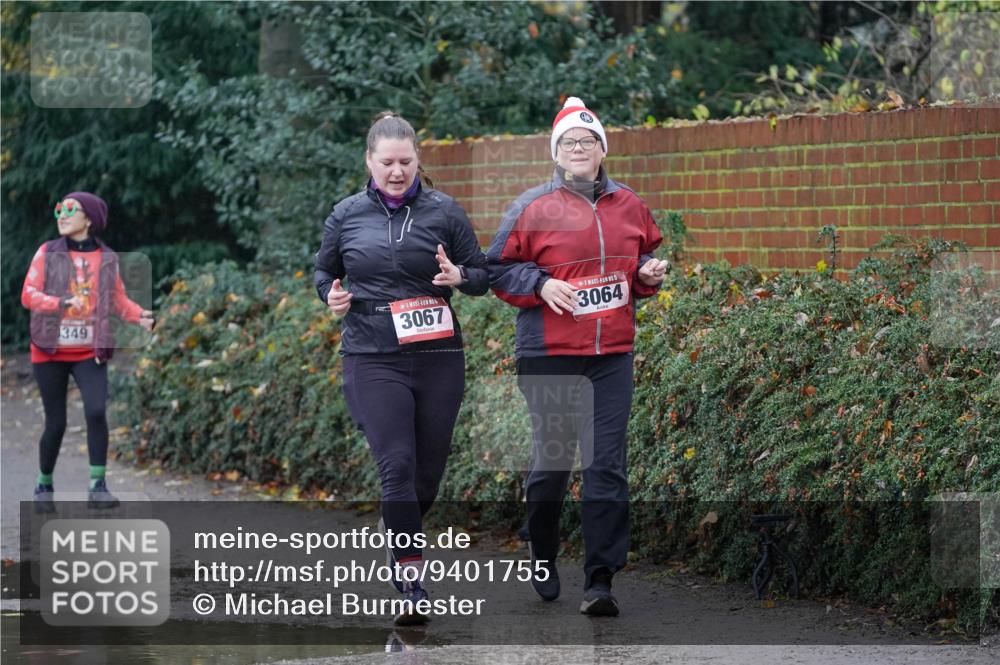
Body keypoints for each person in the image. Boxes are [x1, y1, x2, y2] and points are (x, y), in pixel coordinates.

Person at [487, 97, 668, 617]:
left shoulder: (630, 205)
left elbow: (642, 259)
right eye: (569, 143)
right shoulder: (531, 207)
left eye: (588, 141)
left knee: (606, 465)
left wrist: (648, 274)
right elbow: (496, 269)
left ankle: (600, 580)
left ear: (602, 148)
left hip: (611, 353)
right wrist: (542, 285)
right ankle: (540, 547)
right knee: (552, 466)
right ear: (556, 153)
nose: (579, 149)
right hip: (549, 353)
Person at [313, 112, 489, 625]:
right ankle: (410, 577)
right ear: (369, 161)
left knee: (427, 475)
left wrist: (461, 276)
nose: (397, 171)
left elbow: (482, 274)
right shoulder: (345, 215)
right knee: (396, 466)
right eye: (387, 162)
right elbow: (325, 269)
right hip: (372, 355)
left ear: (418, 160)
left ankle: (402, 532)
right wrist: (332, 294)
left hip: (437, 358)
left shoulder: (445, 211)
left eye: (405, 162)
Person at [21, 192, 154, 511]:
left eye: (70, 209)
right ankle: (44, 485)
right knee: (56, 422)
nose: (62, 215)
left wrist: (140, 316)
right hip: (49, 350)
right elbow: (28, 294)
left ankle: (98, 487)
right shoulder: (46, 252)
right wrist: (59, 303)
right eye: (59, 209)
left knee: (96, 412)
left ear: (89, 218)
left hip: (88, 350)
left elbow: (118, 300)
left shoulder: (107, 258)